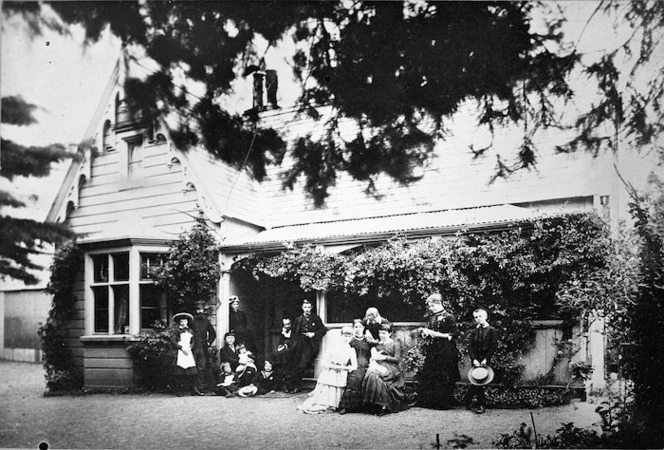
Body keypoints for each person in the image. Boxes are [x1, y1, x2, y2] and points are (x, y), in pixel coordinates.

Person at [297, 326, 358, 414]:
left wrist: (344, 368)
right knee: (321, 401)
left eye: (349, 336)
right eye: (345, 336)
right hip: (330, 372)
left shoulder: (351, 350)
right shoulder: (332, 347)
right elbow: (324, 363)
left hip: (341, 373)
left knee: (334, 402)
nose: (347, 338)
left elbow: (354, 366)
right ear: (341, 336)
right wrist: (333, 367)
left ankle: (333, 404)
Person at [416, 293, 461, 409]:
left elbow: (455, 333)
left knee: (444, 375)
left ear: (439, 303)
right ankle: (428, 402)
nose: (431, 308)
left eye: (432, 306)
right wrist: (426, 334)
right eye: (430, 306)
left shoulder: (449, 316)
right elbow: (431, 333)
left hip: (446, 350)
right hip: (434, 350)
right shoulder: (432, 317)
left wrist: (437, 334)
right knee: (430, 374)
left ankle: (442, 403)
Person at [361, 323, 408, 415]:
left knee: (378, 378)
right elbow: (373, 354)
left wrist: (384, 358)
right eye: (380, 333)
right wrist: (374, 355)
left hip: (392, 367)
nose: (382, 335)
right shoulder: (378, 344)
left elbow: (397, 359)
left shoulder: (395, 343)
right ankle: (373, 405)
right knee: (371, 376)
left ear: (390, 333)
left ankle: (383, 406)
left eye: (384, 333)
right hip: (378, 365)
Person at [287, 299, 328, 393]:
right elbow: (293, 333)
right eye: (305, 307)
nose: (307, 309)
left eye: (309, 307)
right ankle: (295, 386)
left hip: (310, 345)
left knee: (303, 364)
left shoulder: (316, 318)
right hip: (299, 344)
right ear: (302, 308)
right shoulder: (298, 319)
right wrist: (292, 345)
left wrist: (314, 334)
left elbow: (323, 330)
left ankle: (296, 385)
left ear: (311, 308)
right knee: (295, 364)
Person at [464, 307, 498, 414]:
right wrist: (474, 359)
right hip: (475, 360)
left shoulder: (492, 330)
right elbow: (470, 346)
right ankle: (472, 402)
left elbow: (493, 346)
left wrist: (486, 359)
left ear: (486, 317)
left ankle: (478, 404)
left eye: (480, 316)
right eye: (475, 317)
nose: (478, 319)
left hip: (485, 360)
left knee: (482, 382)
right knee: (475, 380)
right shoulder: (474, 331)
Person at [337, 319, 374, 414]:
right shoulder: (351, 340)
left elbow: (373, 352)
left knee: (367, 378)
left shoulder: (368, 340)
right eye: (356, 327)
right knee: (354, 378)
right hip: (353, 363)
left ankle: (364, 406)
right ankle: (345, 406)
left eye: (360, 327)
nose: (358, 329)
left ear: (363, 328)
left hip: (366, 363)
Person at [170, 312, 203, 396]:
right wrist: (181, 348)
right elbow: (173, 341)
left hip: (188, 351)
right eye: (181, 321)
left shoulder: (190, 331)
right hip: (180, 351)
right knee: (180, 373)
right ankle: (180, 390)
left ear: (187, 322)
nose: (183, 323)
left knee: (192, 372)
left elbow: (193, 341)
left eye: (185, 321)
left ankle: (194, 389)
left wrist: (190, 348)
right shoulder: (176, 331)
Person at [190, 301, 217, 393]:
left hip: (203, 347)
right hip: (193, 347)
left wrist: (209, 342)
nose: (199, 312)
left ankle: (200, 388)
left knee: (202, 367)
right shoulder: (192, 322)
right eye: (198, 310)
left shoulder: (206, 321)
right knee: (192, 367)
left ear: (204, 310)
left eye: (201, 309)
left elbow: (213, 334)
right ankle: (192, 388)